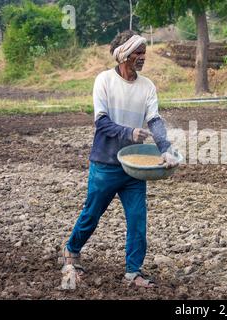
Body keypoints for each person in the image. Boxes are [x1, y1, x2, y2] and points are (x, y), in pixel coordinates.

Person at [61, 30, 178, 288]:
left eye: (144, 52)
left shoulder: (147, 86)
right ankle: (71, 249)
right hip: (105, 164)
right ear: (123, 54)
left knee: (137, 218)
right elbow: (101, 123)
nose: (142, 56)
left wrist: (166, 148)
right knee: (92, 213)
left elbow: (155, 120)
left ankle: (133, 271)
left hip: (134, 168)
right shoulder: (104, 81)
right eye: (137, 52)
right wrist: (129, 132)